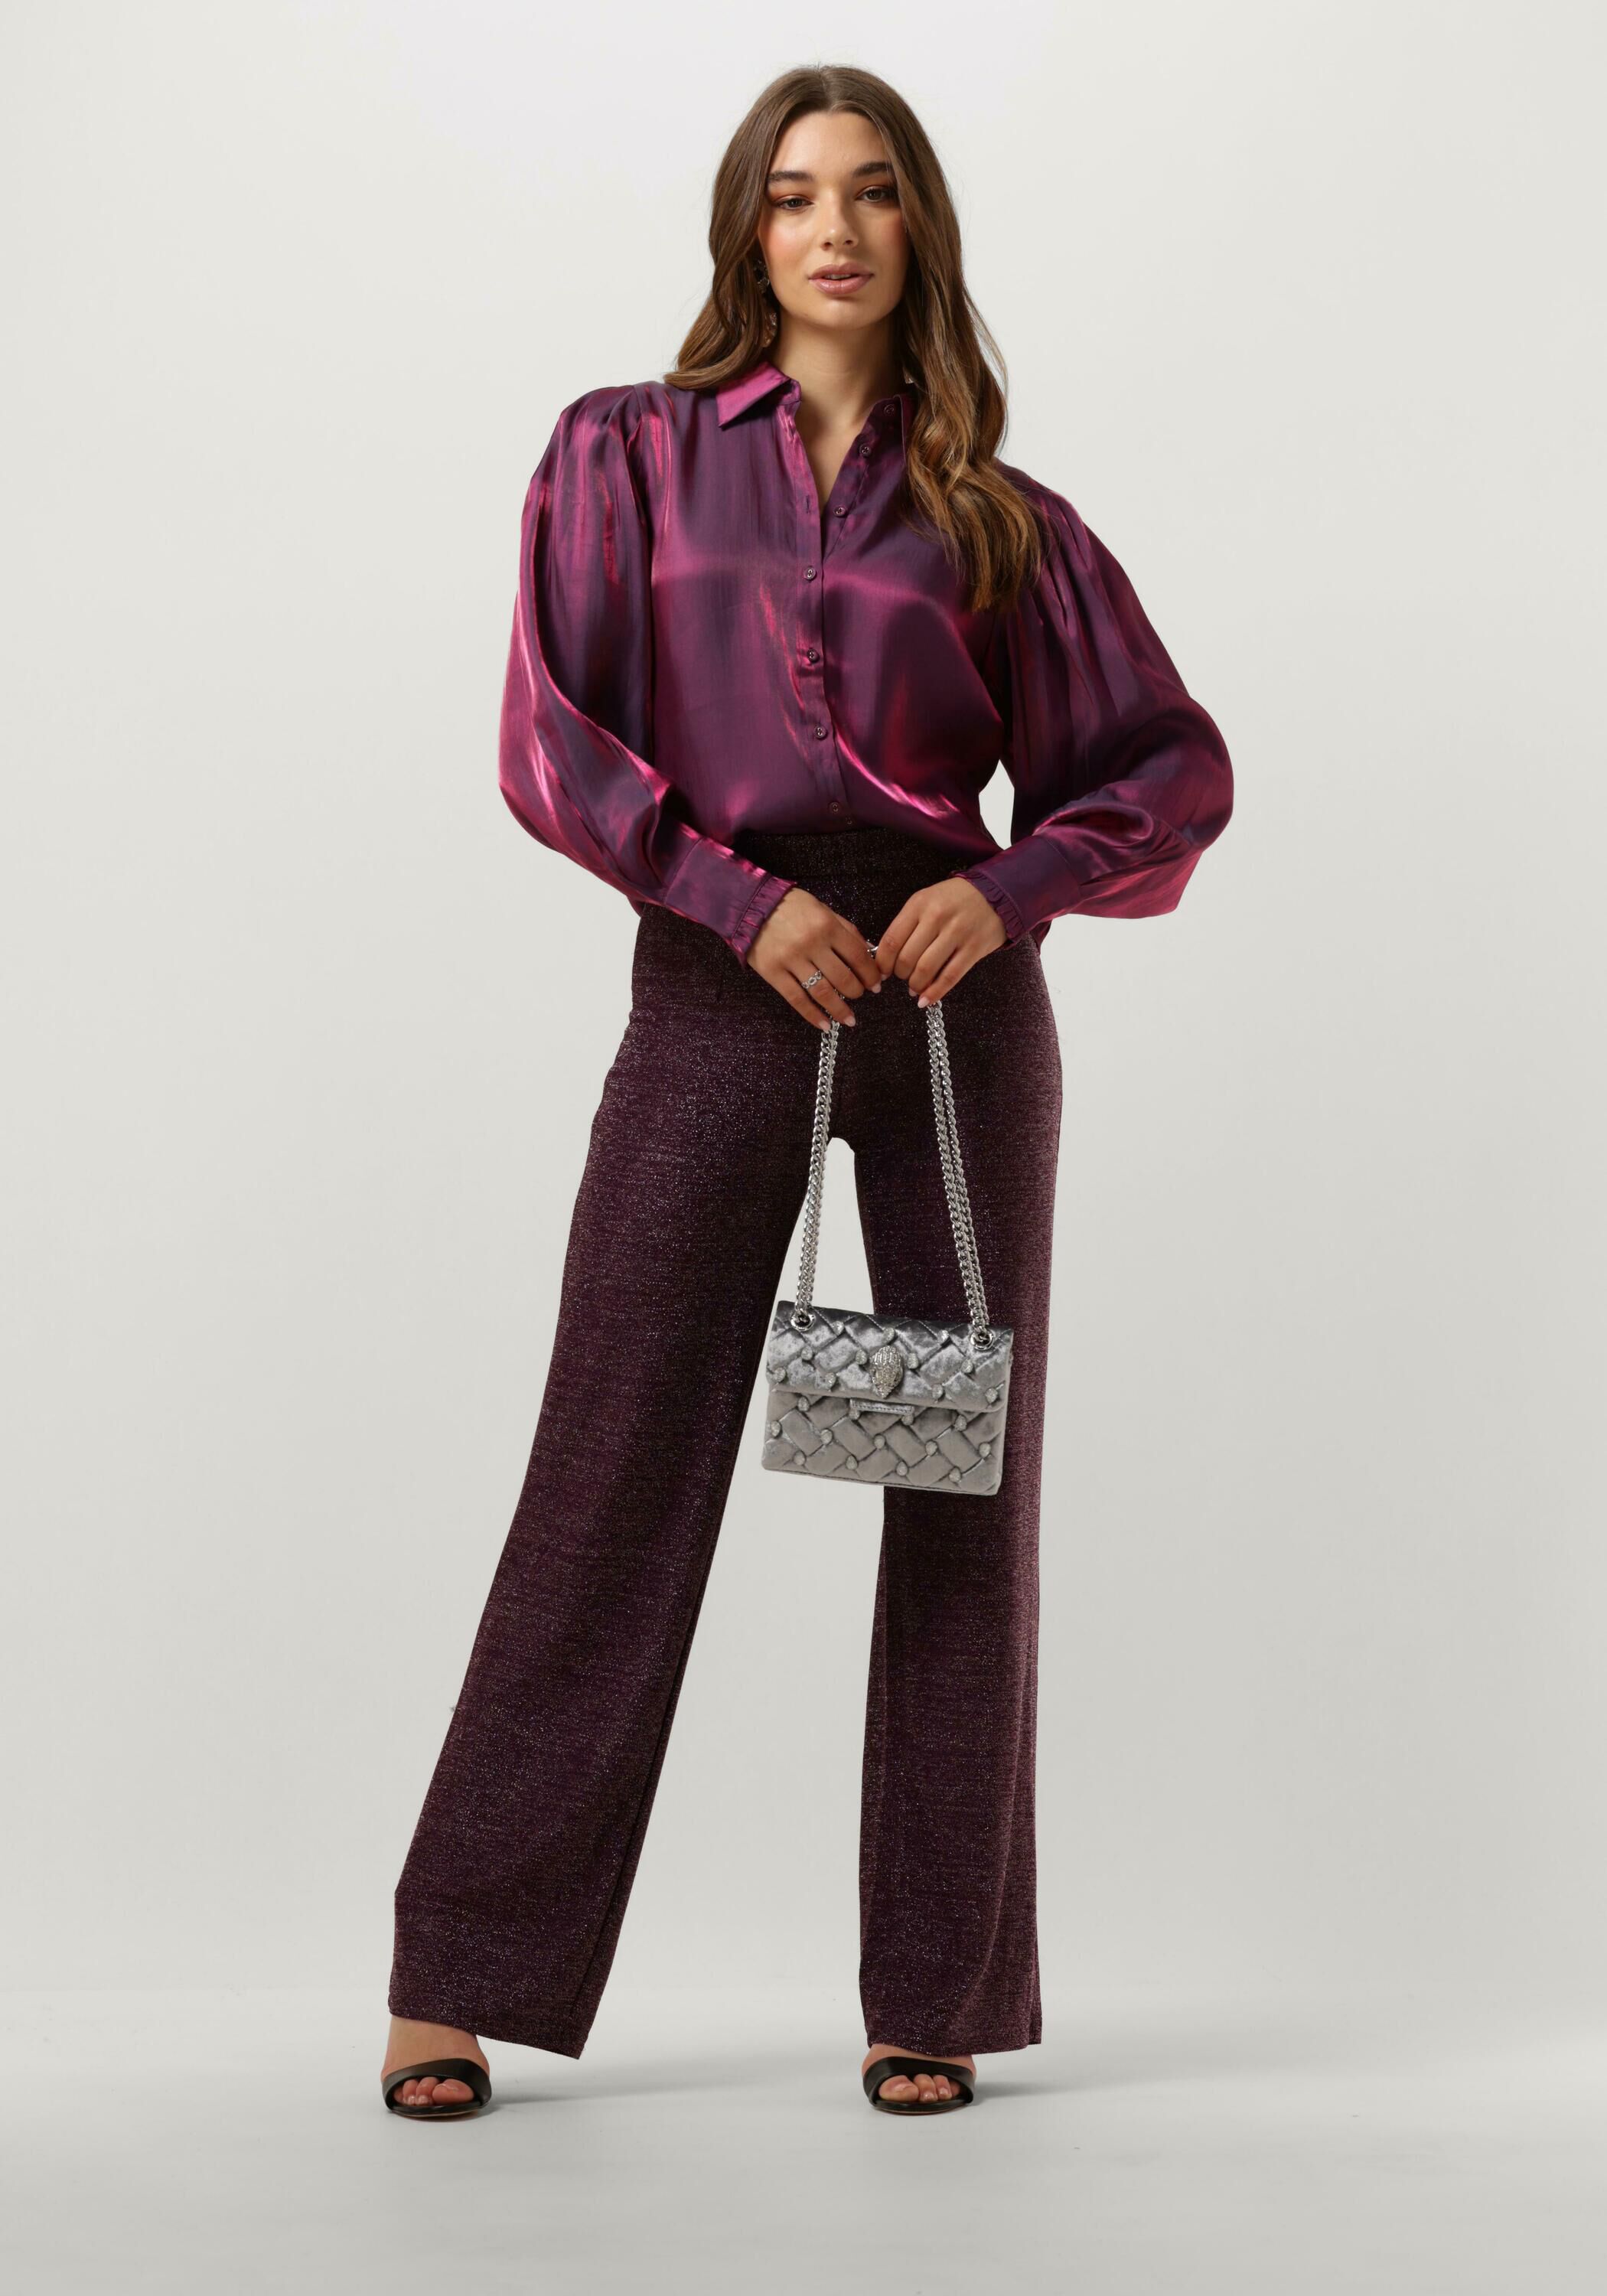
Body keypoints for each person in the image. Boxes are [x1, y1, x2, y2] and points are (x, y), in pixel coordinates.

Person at [380, 62, 1234, 2122]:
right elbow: (552, 738)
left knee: (953, 1486)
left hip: (948, 1008)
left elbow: (1168, 771)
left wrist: (1005, 889)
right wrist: (728, 899)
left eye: (867, 192)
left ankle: (935, 1990)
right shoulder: (628, 455)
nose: (830, 229)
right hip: (718, 971)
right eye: (789, 196)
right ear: (743, 230)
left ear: (917, 224)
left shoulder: (1005, 520)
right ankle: (459, 1973)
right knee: (614, 1454)